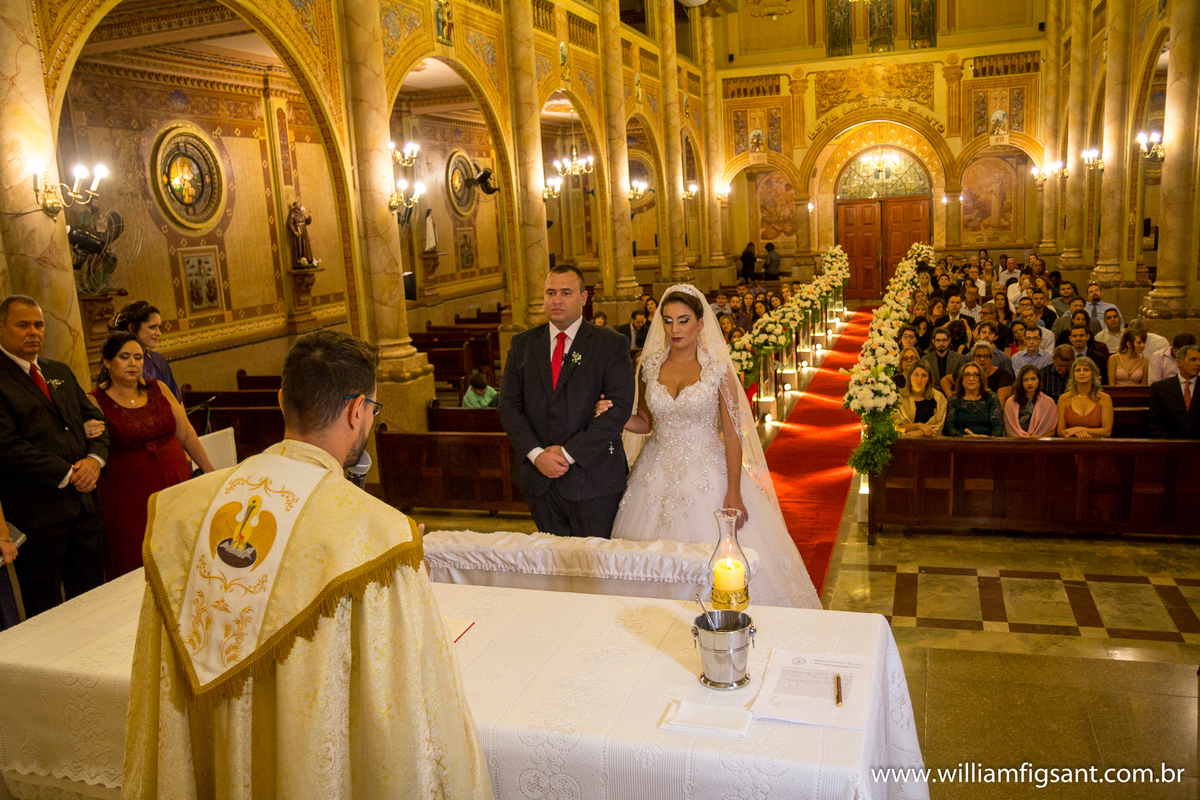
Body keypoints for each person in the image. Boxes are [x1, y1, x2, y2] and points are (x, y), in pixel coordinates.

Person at [122, 330, 491, 798]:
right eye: (372, 410)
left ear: (281, 400)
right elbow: (403, 712)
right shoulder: (378, 534)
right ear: (358, 410)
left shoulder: (179, 511)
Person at [599, 285, 820, 609]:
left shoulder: (718, 371)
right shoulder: (648, 368)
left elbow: (732, 435)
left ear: (700, 323)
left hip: (708, 474)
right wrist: (616, 417)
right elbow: (647, 423)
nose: (675, 329)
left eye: (683, 320)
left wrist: (734, 490)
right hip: (654, 473)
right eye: (669, 321)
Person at [499, 265, 636, 538]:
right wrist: (537, 455)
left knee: (594, 567)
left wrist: (567, 454)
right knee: (554, 565)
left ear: (584, 298)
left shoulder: (610, 344)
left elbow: (618, 408)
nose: (556, 300)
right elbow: (508, 406)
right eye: (550, 292)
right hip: (540, 479)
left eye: (565, 292)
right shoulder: (523, 344)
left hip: (594, 479)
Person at [0, 295, 109, 618]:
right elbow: (6, 445)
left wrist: (94, 461)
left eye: (39, 324)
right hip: (38, 513)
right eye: (23, 325)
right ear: (1, 327)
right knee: (46, 610)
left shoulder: (57, 370)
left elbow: (97, 422)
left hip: (85, 509)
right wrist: (67, 472)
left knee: (93, 602)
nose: (33, 332)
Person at [88, 333, 213, 579]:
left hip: (175, 483)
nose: (133, 363)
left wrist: (210, 472)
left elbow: (186, 433)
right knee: (137, 557)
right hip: (128, 495)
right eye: (124, 357)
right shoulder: (94, 400)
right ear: (107, 362)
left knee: (183, 552)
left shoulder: (159, 389)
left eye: (137, 357)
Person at [112, 300, 181, 401]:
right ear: (132, 327)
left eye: (159, 327)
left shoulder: (159, 360)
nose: (159, 333)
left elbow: (176, 401)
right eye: (152, 327)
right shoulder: (116, 364)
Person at [1148, 345, 1200, 439]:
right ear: (1179, 362)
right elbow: (1155, 425)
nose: (1198, 364)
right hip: (1169, 447)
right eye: (1193, 359)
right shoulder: (1161, 388)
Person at [1056, 357, 1113, 438]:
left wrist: (1078, 429)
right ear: (1073, 375)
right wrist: (1077, 434)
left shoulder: (1105, 398)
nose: (1082, 373)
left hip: (1097, 445)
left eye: (1086, 370)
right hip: (1071, 444)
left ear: (1093, 374)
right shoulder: (1064, 398)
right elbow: (1060, 432)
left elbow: (1107, 432)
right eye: (1078, 370)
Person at [945, 363, 1003, 437]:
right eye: (967, 375)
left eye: (976, 375)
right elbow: (948, 427)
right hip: (960, 442)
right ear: (961, 379)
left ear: (981, 379)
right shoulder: (954, 399)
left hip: (987, 442)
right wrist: (962, 437)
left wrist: (990, 439)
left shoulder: (991, 397)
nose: (971, 378)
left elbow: (998, 426)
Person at [1004, 365, 1059, 437]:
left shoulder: (1049, 403)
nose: (1029, 383)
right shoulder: (1011, 402)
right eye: (1025, 380)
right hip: (1016, 443)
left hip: (1040, 444)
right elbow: (1009, 429)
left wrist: (1037, 439)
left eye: (1033, 379)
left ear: (1039, 380)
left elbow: (1051, 430)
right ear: (1021, 382)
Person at [895, 363, 946, 436]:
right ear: (909, 377)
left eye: (924, 376)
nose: (919, 379)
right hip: (904, 443)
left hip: (931, 443)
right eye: (916, 374)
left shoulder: (939, 398)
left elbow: (938, 427)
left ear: (929, 379)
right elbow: (897, 428)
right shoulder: (899, 398)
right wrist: (918, 426)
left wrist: (918, 433)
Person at [920, 327, 969, 391]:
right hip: (932, 394)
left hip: (953, 393)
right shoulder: (925, 359)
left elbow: (960, 381)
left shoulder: (959, 358)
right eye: (938, 340)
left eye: (944, 340)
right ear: (933, 341)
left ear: (949, 341)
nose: (941, 343)